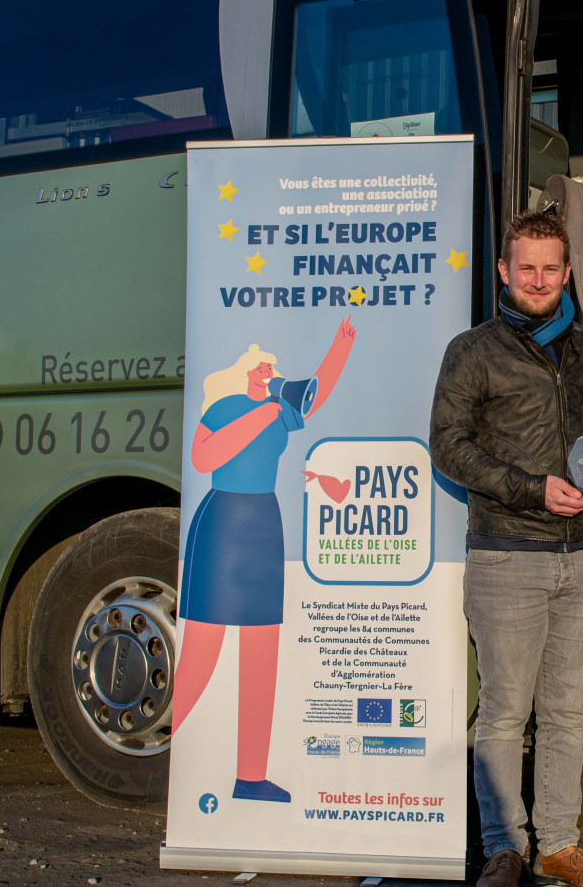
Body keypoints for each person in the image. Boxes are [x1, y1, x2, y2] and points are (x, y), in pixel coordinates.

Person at [430, 210, 583, 887]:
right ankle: (504, 849)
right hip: (507, 552)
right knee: (504, 708)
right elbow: (448, 444)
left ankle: (559, 846)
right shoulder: (473, 350)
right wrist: (528, 490)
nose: (538, 280)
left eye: (551, 268)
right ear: (503, 271)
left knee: (566, 711)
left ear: (567, 271)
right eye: (526, 267)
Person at [170, 318, 356, 803]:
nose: (272, 369)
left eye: (273, 365)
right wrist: (267, 410)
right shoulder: (227, 406)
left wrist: (340, 347)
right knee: (203, 650)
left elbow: (314, 395)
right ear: (248, 370)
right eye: (264, 364)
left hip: (263, 524)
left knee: (261, 653)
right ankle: (172, 742)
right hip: (222, 522)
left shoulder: (280, 410)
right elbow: (203, 457)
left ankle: (249, 776)